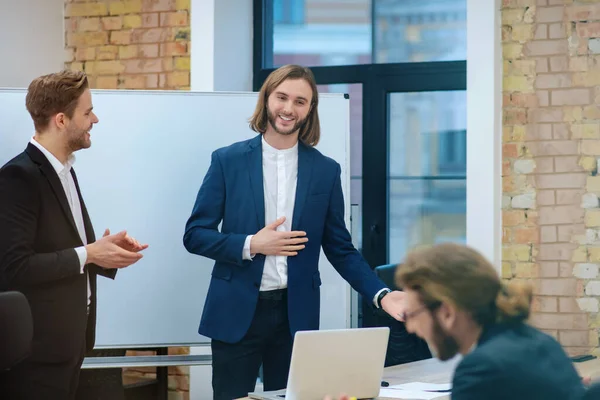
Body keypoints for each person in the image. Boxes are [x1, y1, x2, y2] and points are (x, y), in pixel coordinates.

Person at [183, 64, 406, 400]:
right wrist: (252, 244)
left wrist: (382, 294)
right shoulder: (227, 161)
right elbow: (195, 234)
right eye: (282, 97)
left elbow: (340, 248)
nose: (289, 108)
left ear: (310, 109)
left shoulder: (325, 170)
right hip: (236, 311)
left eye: (300, 101)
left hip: (294, 316)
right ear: (267, 99)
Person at [0, 70, 148, 400]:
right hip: (35, 357)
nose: (95, 118)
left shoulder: (66, 171)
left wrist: (105, 252)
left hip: (71, 347)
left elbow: (65, 251)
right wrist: (90, 253)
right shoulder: (18, 177)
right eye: (87, 111)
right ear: (62, 120)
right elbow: (15, 268)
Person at [392, 243, 587, 400]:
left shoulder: (481, 369)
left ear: (447, 312)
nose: (410, 328)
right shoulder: (541, 342)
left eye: (413, 315)